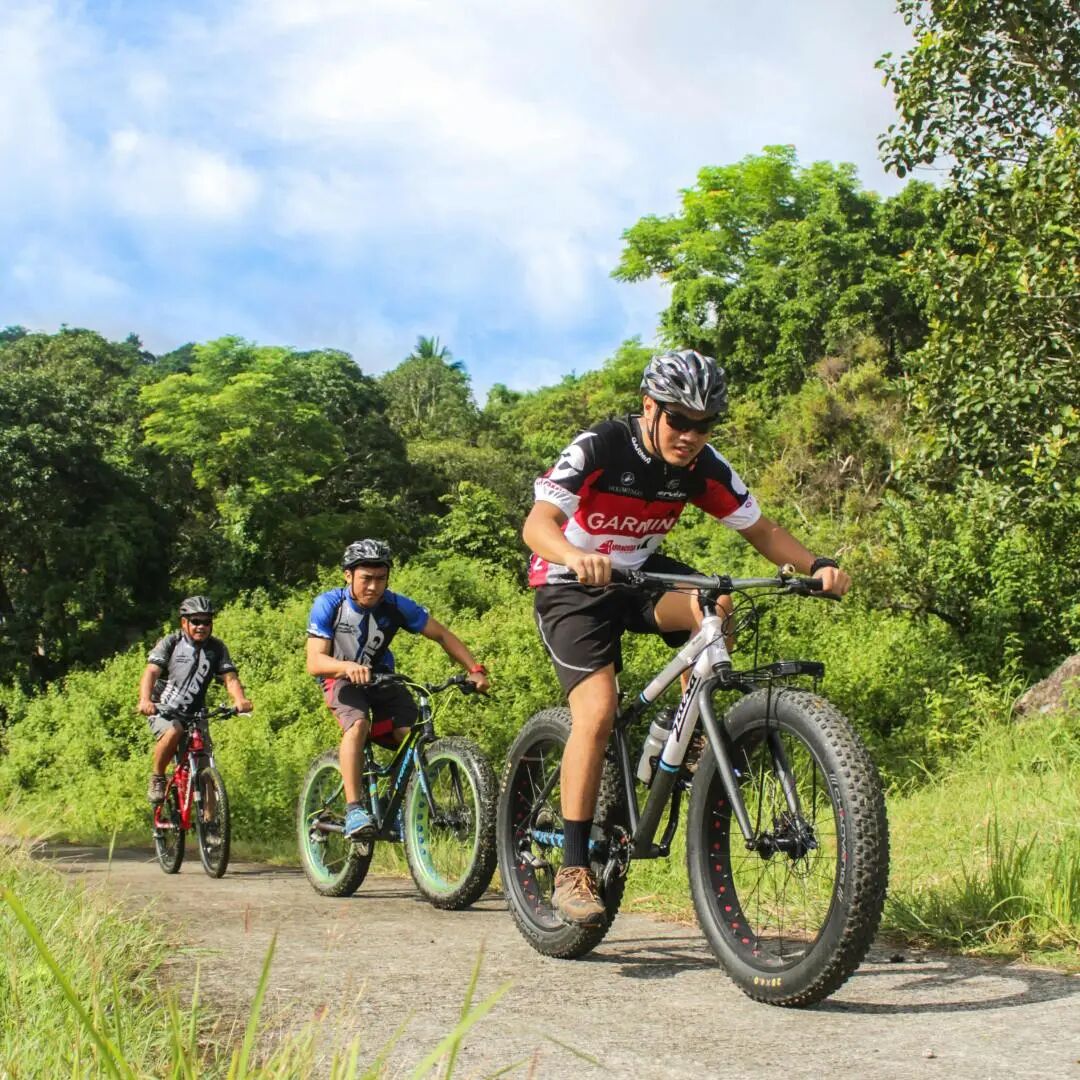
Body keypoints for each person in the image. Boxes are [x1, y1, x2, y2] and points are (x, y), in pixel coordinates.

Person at [522, 349, 851, 926]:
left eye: (705, 425)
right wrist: (574, 555)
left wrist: (817, 565)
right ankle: (572, 868)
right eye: (679, 420)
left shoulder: (702, 466)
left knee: (714, 604)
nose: (691, 436)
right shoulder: (601, 445)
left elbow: (762, 529)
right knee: (596, 713)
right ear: (650, 407)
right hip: (571, 583)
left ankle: (684, 729)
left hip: (639, 576)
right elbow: (537, 523)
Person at [306, 539, 490, 840]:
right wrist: (347, 667)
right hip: (338, 676)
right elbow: (315, 662)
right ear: (348, 575)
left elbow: (441, 635)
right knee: (358, 724)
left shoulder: (395, 605)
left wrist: (474, 669)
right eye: (366, 578)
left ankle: (397, 805)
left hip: (381, 677)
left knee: (410, 735)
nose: (373, 586)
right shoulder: (329, 605)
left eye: (381, 578)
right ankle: (354, 809)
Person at [138, 596, 253, 805]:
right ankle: (158, 778)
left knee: (205, 765)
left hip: (196, 713)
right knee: (174, 731)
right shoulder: (171, 642)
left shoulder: (217, 648)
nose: (202, 626)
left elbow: (230, 678)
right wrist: (145, 700)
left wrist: (240, 700)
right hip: (164, 709)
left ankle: (211, 823)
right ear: (184, 622)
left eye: (206, 622)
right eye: (196, 621)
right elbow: (151, 672)